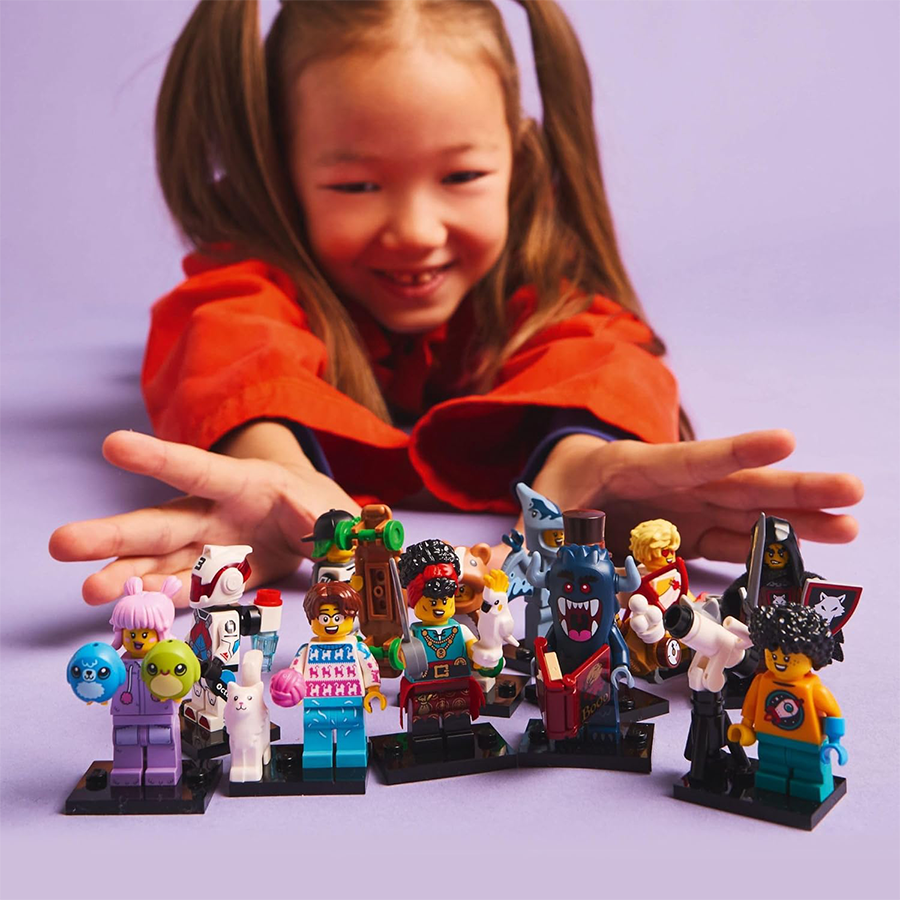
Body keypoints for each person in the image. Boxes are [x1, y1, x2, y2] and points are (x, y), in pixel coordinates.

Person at [49, 0, 862, 607]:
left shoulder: (536, 272)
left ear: (519, 159)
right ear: (281, 174)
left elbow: (599, 346)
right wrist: (274, 466)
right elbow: (226, 336)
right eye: (355, 185)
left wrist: (585, 456)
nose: (415, 231)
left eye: (463, 176)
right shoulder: (260, 275)